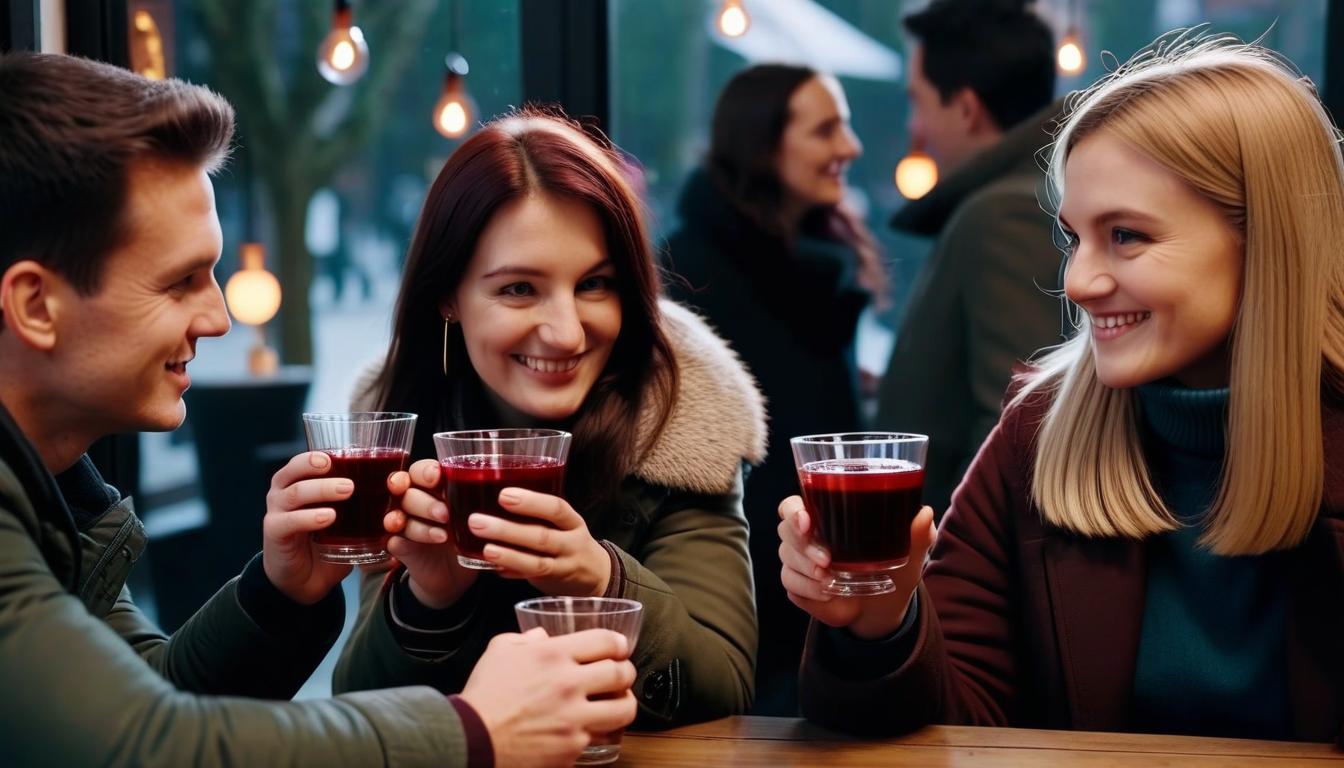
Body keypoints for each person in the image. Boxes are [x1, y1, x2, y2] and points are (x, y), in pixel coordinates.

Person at [0, 52, 638, 767]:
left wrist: (277, 594)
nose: (218, 318)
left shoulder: (53, 494)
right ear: (36, 306)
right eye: (180, 282)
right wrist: (476, 732)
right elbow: (150, 746)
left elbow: (148, 697)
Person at [780, 33, 1344, 742]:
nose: (1078, 282)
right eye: (1074, 236)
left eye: (1128, 236)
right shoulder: (1039, 431)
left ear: (1267, 239)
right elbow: (953, 727)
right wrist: (879, 624)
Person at [331, 110, 765, 727]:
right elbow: (358, 712)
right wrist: (428, 599)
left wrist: (601, 579)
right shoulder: (396, 432)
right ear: (448, 297)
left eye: (594, 284)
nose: (564, 333)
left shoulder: (683, 414)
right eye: (519, 290)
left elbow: (724, 686)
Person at [664, 64, 885, 715]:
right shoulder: (691, 270)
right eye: (826, 129)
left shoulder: (816, 257)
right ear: (763, 142)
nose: (850, 147)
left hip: (829, 577)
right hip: (740, 583)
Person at [875, 0, 1063, 516]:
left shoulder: (1004, 213)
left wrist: (953, 571)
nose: (915, 129)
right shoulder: (1030, 196)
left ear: (965, 107)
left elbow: (1018, 426)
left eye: (918, 102)